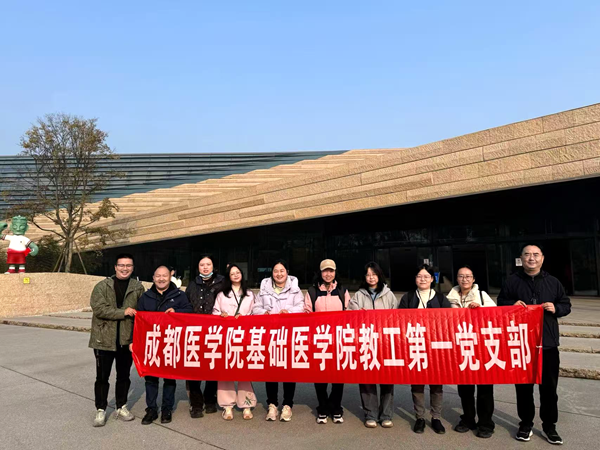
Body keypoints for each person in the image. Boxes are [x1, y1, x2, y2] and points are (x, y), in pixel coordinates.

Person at [497, 244, 571, 445]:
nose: (532, 258)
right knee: (523, 388)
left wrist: (556, 308)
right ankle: (525, 424)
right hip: (521, 344)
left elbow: (566, 305)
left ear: (542, 258)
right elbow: (500, 302)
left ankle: (549, 426)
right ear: (521, 258)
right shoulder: (512, 281)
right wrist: (511, 305)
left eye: (536, 255)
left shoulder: (553, 282)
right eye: (527, 254)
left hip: (547, 344)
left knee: (549, 388)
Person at [89, 253, 145, 427]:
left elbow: (143, 310)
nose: (125, 268)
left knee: (124, 376)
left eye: (128, 265)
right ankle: (101, 409)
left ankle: (121, 406)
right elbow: (99, 309)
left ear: (133, 268)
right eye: (121, 265)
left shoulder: (137, 287)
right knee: (102, 377)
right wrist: (123, 312)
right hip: (103, 339)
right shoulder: (102, 286)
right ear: (115, 267)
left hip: (126, 340)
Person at [135, 265, 192, 425]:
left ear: (170, 277)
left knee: (169, 378)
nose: (161, 279)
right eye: (158, 276)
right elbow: (138, 321)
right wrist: (135, 342)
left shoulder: (179, 295)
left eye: (164, 276)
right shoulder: (146, 297)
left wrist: (177, 312)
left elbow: (190, 311)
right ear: (153, 278)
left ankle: (167, 408)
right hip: (151, 343)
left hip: (171, 343)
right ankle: (151, 409)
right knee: (151, 378)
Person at [399, 264, 451, 435]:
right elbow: (400, 320)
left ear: (432, 279)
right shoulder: (408, 297)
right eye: (419, 276)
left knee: (436, 384)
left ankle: (436, 417)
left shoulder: (441, 298)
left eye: (426, 276)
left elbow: (449, 321)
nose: (423, 279)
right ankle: (420, 417)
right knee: (417, 383)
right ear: (415, 279)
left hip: (436, 348)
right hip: (415, 345)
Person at [447, 266, 496, 439]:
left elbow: (496, 315)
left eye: (468, 276)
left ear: (473, 279)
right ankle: (468, 419)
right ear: (457, 279)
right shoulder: (450, 298)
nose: (465, 279)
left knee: (485, 388)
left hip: (482, 348)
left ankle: (485, 423)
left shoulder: (482, 296)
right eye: (461, 276)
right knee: (465, 388)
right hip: (461, 347)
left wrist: (481, 309)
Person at [253, 259, 304, 422]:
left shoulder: (295, 289)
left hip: (289, 335)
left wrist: (289, 312)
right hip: (270, 335)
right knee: (271, 371)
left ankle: (287, 405)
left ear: (287, 272)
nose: (279, 274)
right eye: (276, 271)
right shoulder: (264, 289)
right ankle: (272, 404)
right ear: (272, 273)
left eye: (282, 271)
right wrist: (264, 313)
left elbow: (301, 307)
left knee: (288, 370)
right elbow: (255, 307)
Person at [348, 262, 398, 429]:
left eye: (374, 274)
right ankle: (371, 414)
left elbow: (397, 318)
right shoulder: (358, 295)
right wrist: (359, 314)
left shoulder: (389, 295)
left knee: (387, 379)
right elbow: (349, 316)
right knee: (367, 379)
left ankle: (386, 415)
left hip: (385, 343)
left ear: (379, 275)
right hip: (366, 343)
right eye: (368, 274)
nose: (371, 277)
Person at [304, 259, 351, 425]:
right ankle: (323, 408)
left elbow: (349, 313)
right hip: (319, 340)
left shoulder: (342, 291)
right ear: (320, 272)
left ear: (335, 272)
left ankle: (336, 408)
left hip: (338, 340)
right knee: (320, 377)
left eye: (331, 271)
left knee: (338, 377)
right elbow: (307, 314)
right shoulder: (312, 291)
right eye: (325, 271)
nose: (328, 274)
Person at [213, 264, 257, 420]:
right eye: (232, 273)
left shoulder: (250, 294)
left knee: (244, 370)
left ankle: (246, 404)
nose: (236, 275)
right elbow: (215, 313)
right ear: (228, 277)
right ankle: (227, 405)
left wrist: (245, 319)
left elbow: (255, 314)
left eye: (238, 272)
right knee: (226, 369)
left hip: (244, 337)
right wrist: (222, 316)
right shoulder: (221, 295)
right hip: (226, 337)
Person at [185, 255, 225, 416]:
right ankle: (196, 403)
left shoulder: (222, 283)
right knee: (194, 367)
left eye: (208, 264)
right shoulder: (192, 284)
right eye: (202, 264)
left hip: (215, 331)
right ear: (198, 267)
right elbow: (186, 304)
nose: (205, 267)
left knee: (212, 366)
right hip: (195, 331)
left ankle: (210, 399)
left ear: (213, 266)